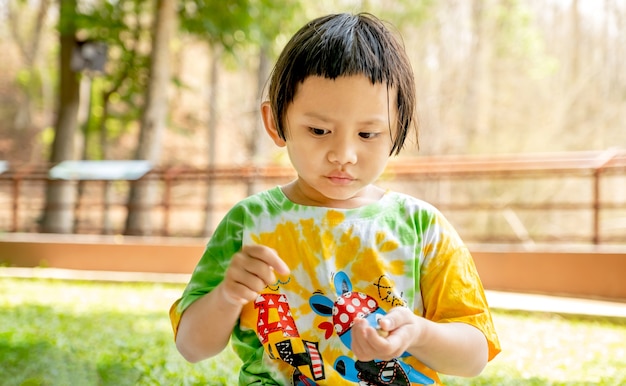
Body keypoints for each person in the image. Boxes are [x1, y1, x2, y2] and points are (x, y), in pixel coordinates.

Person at [170, 12, 500, 386]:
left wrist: (420, 333)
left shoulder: (422, 228)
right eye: (319, 130)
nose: (343, 153)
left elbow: (474, 356)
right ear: (276, 122)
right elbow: (192, 347)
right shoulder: (251, 222)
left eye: (368, 133)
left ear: (398, 129)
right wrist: (228, 295)